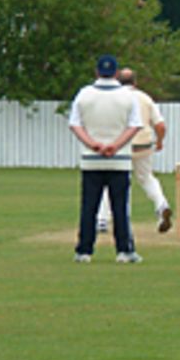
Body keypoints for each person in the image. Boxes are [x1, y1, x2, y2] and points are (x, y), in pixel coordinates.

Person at [68, 54, 144, 264]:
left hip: (91, 159)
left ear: (97, 72)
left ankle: (84, 251)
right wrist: (116, 145)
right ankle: (124, 251)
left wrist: (93, 144)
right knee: (120, 207)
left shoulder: (84, 94)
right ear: (116, 73)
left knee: (89, 207)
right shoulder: (128, 96)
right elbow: (135, 125)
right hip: (119, 160)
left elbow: (75, 124)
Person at [97, 67, 173, 234]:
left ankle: (102, 220)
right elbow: (160, 125)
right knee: (146, 178)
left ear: (117, 80)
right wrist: (159, 142)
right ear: (135, 82)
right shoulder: (145, 98)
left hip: (120, 146)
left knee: (110, 180)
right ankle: (162, 206)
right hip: (143, 145)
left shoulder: (113, 97)